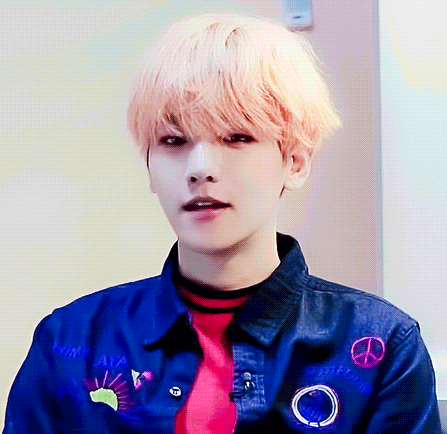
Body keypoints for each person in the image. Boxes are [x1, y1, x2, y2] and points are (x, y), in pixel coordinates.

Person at [3, 13, 442, 434]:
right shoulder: (69, 343)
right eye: (173, 140)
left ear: (295, 161)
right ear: (149, 166)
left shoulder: (380, 346)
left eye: (236, 137)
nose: (200, 168)